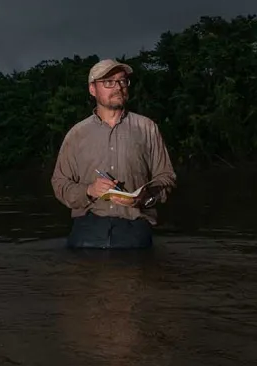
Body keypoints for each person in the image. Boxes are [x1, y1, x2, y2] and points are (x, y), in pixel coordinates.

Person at [51, 59, 177, 249]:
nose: (118, 87)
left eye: (122, 81)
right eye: (109, 82)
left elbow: (166, 177)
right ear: (92, 89)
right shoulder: (77, 134)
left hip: (134, 228)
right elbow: (60, 183)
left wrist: (146, 197)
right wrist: (89, 190)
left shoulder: (147, 128)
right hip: (88, 230)